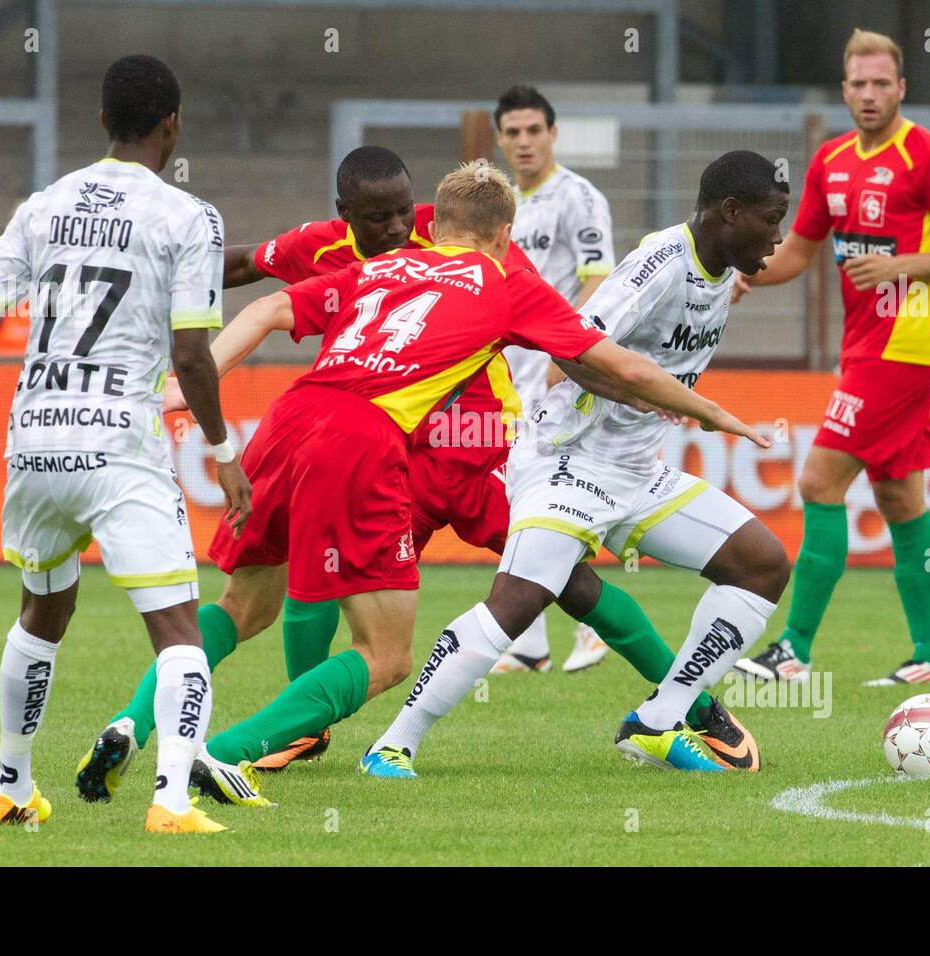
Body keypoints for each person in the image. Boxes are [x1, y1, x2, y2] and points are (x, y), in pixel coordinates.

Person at [84, 148, 755, 794]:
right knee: (430, 633)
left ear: (429, 215)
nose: (395, 228)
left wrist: (183, 383)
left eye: (405, 215)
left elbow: (262, 303)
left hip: (304, 422)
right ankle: (233, 750)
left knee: (254, 599)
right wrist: (707, 410)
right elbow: (609, 359)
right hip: (426, 448)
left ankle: (140, 722)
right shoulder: (499, 275)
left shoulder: (373, 268)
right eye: (381, 218)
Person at [0, 54, 253, 834]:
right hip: (119, 445)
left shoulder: (44, 204)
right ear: (174, 125)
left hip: (33, 443)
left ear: (101, 122)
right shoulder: (187, 216)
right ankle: (169, 803)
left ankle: (12, 785)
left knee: (42, 612)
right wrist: (225, 454)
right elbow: (193, 355)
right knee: (179, 630)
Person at [363, 150, 790, 778]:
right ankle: (393, 744)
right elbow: (573, 348)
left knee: (763, 565)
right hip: (569, 461)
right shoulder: (659, 264)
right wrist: (656, 396)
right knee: (516, 604)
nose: (779, 236)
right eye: (771, 219)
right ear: (729, 213)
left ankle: (656, 722)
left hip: (639, 473)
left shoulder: (722, 268)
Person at [733, 29, 930, 688]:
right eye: (860, 84)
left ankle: (792, 649)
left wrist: (902, 266)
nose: (871, 94)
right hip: (863, 347)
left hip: (904, 347)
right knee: (899, 496)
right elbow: (795, 252)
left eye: (883, 83)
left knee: (820, 481)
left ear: (902, 88)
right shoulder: (831, 160)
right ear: (845, 89)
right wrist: (741, 272)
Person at [492, 84, 618, 673]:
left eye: (533, 130)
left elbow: (599, 280)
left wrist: (559, 356)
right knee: (522, 502)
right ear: (500, 138)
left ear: (553, 133)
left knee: (559, 500)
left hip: (555, 377)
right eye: (513, 132)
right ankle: (531, 643)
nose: (523, 141)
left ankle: (596, 627)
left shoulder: (579, 198)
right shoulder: (499, 205)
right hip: (504, 378)